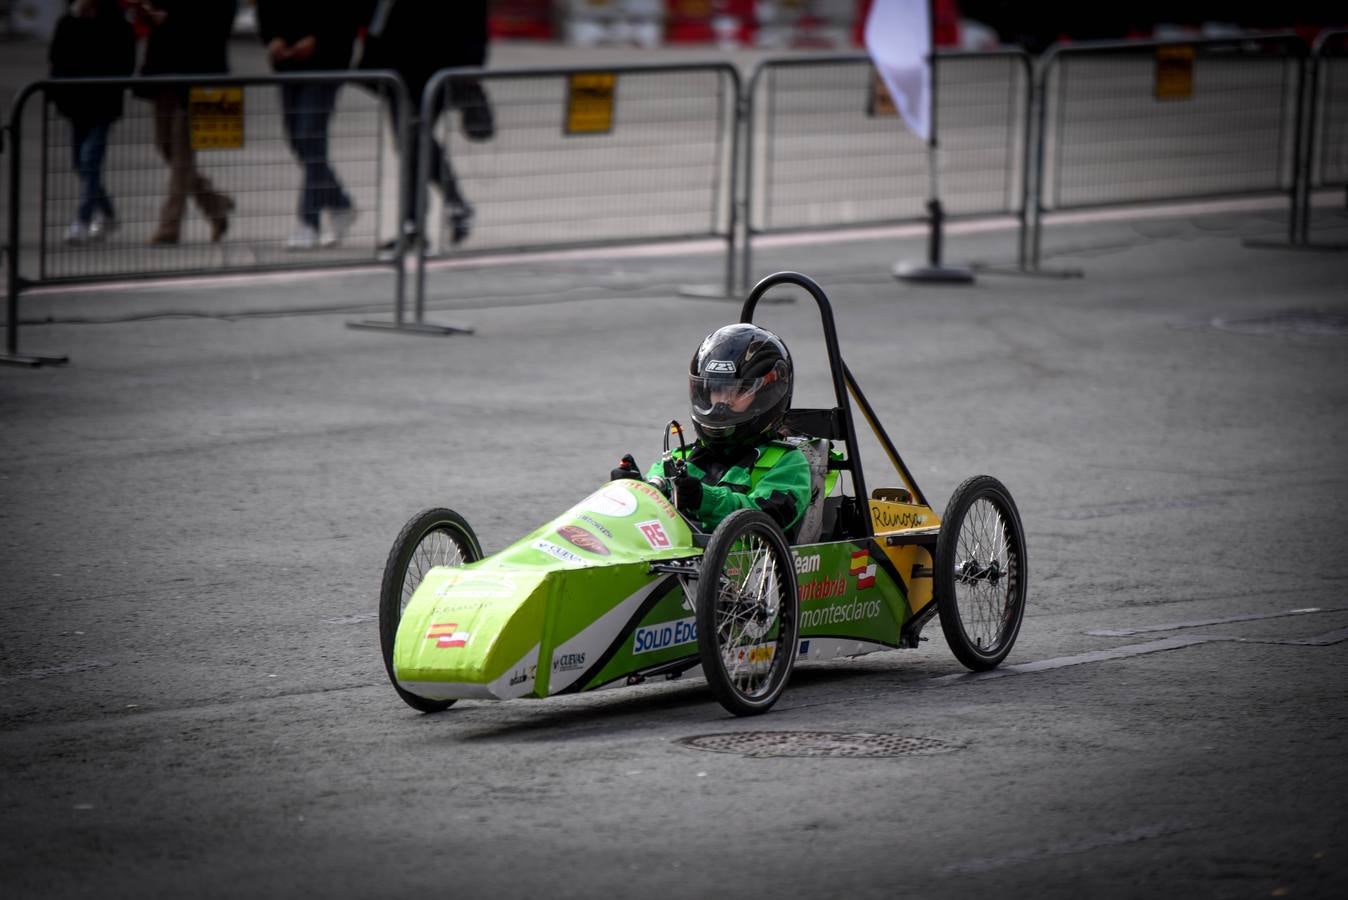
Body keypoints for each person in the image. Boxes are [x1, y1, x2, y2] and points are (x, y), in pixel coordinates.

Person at [613, 324, 812, 535]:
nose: (722, 403)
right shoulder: (682, 457)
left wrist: (703, 499)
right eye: (717, 390)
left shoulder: (788, 463)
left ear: (767, 395)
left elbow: (766, 518)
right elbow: (652, 503)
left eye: (738, 392)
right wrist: (633, 490)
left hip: (747, 562)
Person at [356, 0, 493, 252]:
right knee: (408, 144)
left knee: (414, 138)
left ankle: (437, 213)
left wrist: (474, 64)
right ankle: (420, 223)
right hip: (397, 64)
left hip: (440, 62)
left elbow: (475, 16)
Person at [256, 0, 361, 250]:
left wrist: (319, 39)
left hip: (327, 59)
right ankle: (339, 202)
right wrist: (273, 38)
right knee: (297, 138)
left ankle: (309, 221)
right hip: (289, 60)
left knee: (310, 135)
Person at [131, 0, 237, 245]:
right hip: (164, 67)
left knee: (182, 152)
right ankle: (214, 203)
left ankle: (170, 225)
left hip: (200, 70)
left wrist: (169, 20)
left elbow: (217, 22)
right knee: (165, 144)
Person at [48, 0, 137, 244]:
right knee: (81, 163)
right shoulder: (69, 23)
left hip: (102, 104)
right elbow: (57, 59)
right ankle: (107, 213)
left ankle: (82, 220)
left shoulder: (115, 24)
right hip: (76, 104)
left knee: (89, 160)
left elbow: (125, 63)